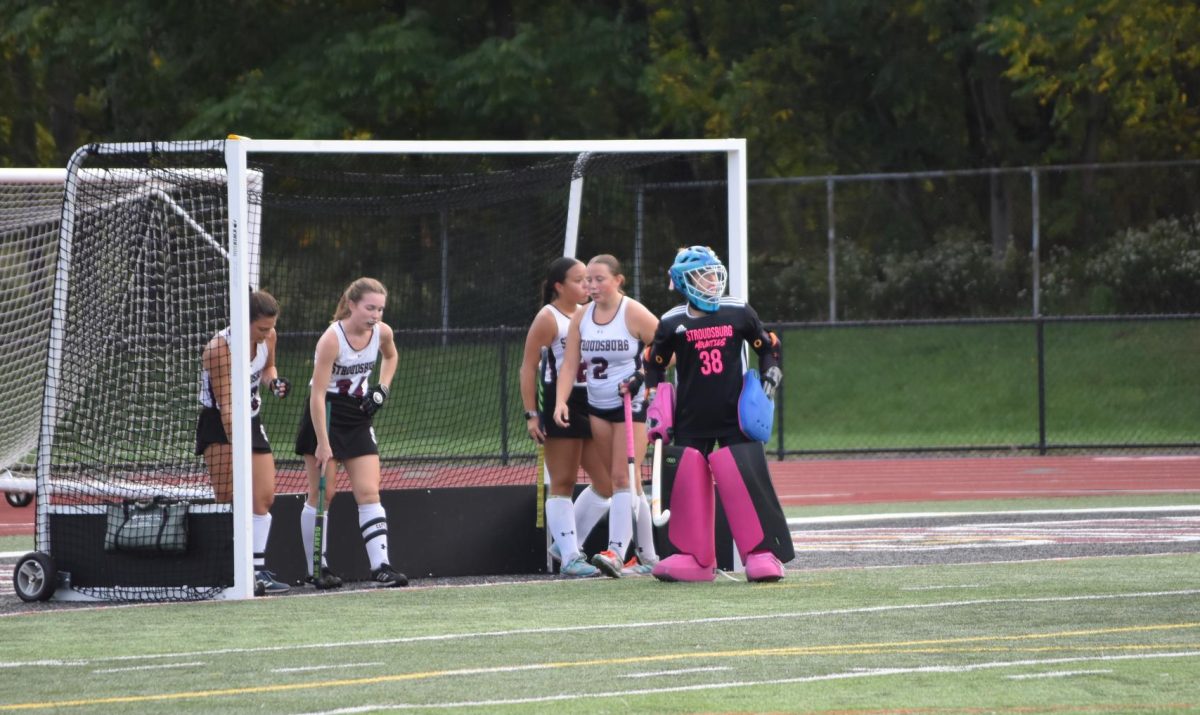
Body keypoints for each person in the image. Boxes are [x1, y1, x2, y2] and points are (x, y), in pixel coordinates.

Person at [643, 245, 794, 583]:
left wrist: (771, 372)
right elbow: (653, 362)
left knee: (745, 477)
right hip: (690, 417)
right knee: (685, 481)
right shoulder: (671, 322)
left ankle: (761, 553)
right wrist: (654, 396)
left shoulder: (738, 311)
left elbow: (768, 347)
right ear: (685, 282)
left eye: (714, 274)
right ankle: (693, 558)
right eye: (704, 275)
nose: (712, 281)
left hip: (733, 415)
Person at [295, 277, 407, 588]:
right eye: (370, 308)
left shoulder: (382, 332)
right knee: (323, 493)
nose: (376, 315)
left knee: (369, 492)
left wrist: (381, 389)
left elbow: (391, 355)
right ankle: (317, 567)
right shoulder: (332, 339)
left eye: (380, 309)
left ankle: (381, 566)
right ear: (352, 304)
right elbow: (317, 395)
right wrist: (322, 442)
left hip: (357, 416)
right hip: (325, 414)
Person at [554, 254, 662, 578]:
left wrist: (643, 375)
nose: (592, 285)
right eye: (588, 279)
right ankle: (649, 556)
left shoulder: (632, 312)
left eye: (599, 279)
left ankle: (616, 551)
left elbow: (663, 346)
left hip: (632, 406)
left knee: (620, 478)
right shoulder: (581, 317)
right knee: (630, 485)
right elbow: (570, 364)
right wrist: (561, 401)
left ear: (618, 280)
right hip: (597, 405)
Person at [520, 257, 611, 578]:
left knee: (607, 483)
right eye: (578, 280)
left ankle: (566, 544)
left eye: (589, 279)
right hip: (564, 403)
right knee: (563, 481)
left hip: (597, 401)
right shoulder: (548, 317)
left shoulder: (593, 314)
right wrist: (532, 415)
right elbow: (528, 367)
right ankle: (572, 557)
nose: (587, 285)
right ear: (559, 286)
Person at [196, 289, 292, 596]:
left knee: (263, 497)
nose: (266, 334)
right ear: (242, 320)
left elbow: (267, 369)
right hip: (220, 422)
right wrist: (238, 448)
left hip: (250, 419)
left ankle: (256, 572)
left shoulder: (269, 337)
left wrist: (274, 382)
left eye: (270, 328)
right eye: (261, 328)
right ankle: (227, 569)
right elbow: (226, 404)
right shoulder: (218, 349)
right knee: (229, 496)